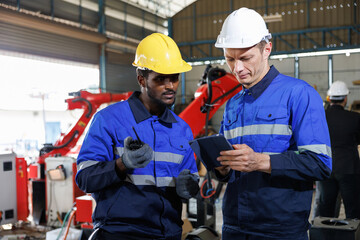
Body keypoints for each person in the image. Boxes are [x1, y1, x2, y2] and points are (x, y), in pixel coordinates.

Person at [213, 7, 332, 239]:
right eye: (230, 59)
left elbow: (319, 163)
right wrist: (222, 167)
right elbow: (228, 169)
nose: (237, 68)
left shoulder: (299, 95)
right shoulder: (233, 105)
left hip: (280, 230)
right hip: (234, 226)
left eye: (246, 58)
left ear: (267, 48)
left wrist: (260, 161)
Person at [75, 33, 200, 240]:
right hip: (120, 234)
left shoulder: (182, 129)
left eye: (174, 78)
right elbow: (85, 179)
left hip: (168, 234)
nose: (170, 86)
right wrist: (121, 164)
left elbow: (188, 181)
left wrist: (189, 186)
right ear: (141, 79)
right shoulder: (108, 120)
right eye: (160, 79)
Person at [318, 81, 360, 219]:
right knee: (353, 208)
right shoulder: (355, 118)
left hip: (325, 167)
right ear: (345, 98)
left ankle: (326, 235)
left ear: (329, 98)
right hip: (349, 169)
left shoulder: (320, 117)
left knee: (326, 207)